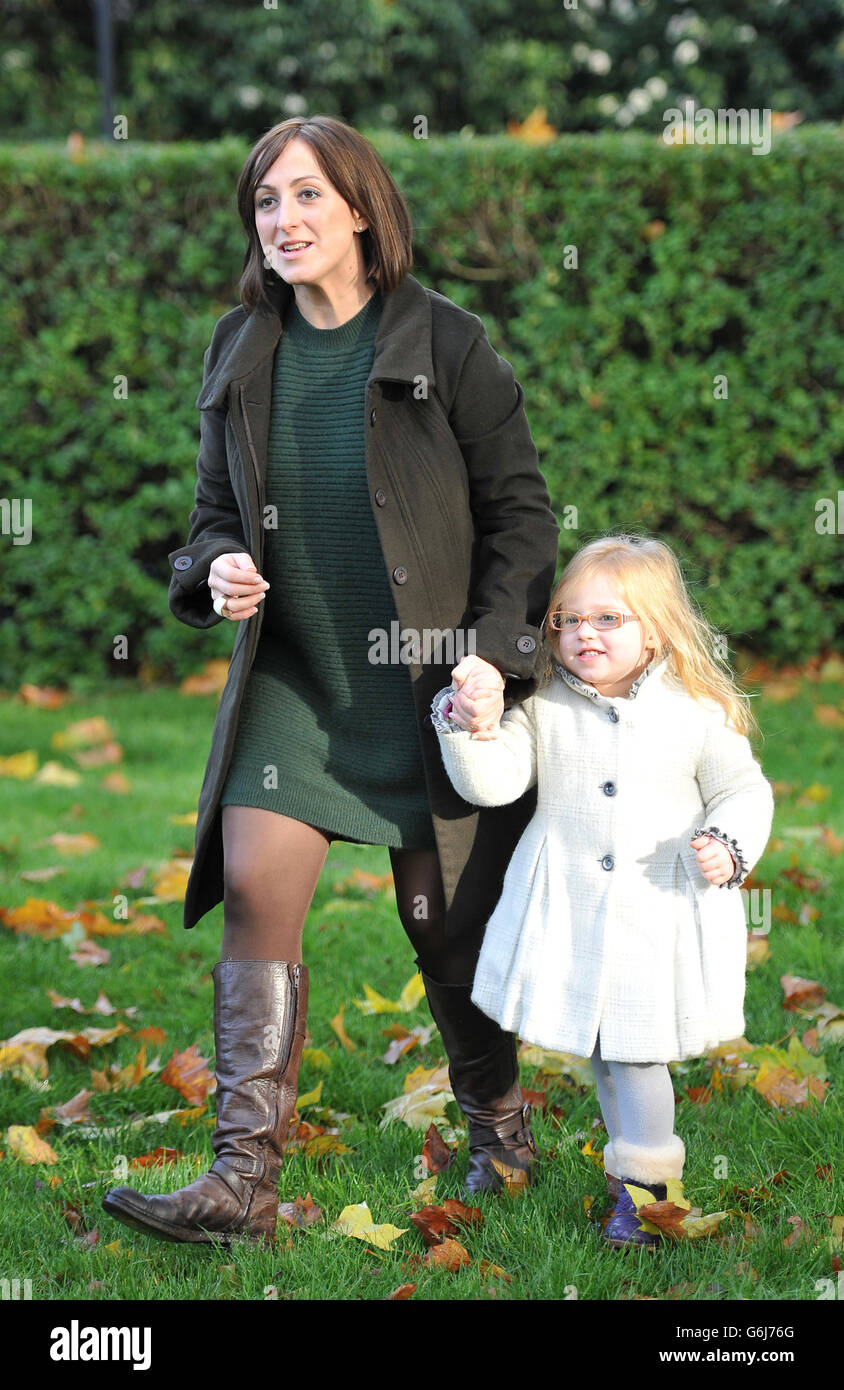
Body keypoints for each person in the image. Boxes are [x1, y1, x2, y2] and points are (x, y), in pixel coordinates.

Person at [101, 115, 560, 1245]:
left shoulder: (448, 342)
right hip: (297, 680)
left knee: (444, 929)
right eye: (265, 202)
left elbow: (521, 516)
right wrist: (217, 572)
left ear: (360, 209)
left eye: (306, 196)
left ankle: (498, 1129)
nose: (284, 220)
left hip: (425, 690)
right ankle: (241, 1183)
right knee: (258, 890)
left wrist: (494, 655)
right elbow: (208, 521)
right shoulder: (240, 344)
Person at [430, 533, 775, 1247]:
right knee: (606, 1051)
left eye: (607, 619)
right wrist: (473, 724)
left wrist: (728, 844)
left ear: (653, 630)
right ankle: (632, 1181)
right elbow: (493, 784)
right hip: (575, 915)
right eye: (568, 620)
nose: (584, 633)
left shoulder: (692, 712)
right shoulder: (546, 705)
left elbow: (743, 789)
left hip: (659, 914)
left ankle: (651, 1198)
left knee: (635, 1051)